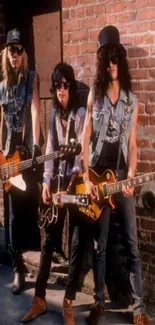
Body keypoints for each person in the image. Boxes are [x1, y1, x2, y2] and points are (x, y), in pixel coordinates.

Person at [80, 25, 149, 325]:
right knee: (101, 244)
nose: (111, 64)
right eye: (106, 59)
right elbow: (85, 138)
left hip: (121, 176)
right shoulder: (93, 96)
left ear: (120, 59)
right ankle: (98, 303)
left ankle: (139, 308)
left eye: (115, 58)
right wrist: (85, 177)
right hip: (96, 178)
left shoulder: (131, 100)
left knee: (132, 244)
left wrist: (132, 173)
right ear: (101, 62)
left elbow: (132, 145)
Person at [21, 62, 86, 323]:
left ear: (71, 87)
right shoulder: (51, 115)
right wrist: (46, 182)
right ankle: (39, 299)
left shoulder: (80, 114)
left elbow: (82, 154)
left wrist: (71, 182)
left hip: (76, 184)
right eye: (57, 85)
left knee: (77, 241)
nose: (61, 90)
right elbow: (49, 151)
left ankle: (68, 303)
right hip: (56, 185)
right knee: (48, 243)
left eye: (66, 85)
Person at [0, 28, 43, 295]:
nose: (15, 55)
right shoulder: (2, 86)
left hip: (28, 153)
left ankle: (42, 261)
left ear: (23, 53)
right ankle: (18, 267)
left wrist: (37, 143)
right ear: (5, 54)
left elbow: (36, 110)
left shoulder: (31, 79)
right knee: (13, 212)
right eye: (11, 50)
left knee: (33, 205)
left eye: (19, 50)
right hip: (8, 155)